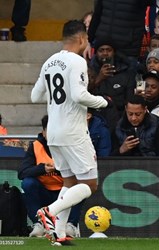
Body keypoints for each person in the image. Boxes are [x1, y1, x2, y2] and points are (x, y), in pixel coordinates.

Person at [31, 20, 110, 246]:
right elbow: (78, 95)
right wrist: (102, 102)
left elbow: (35, 97)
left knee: (70, 181)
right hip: (73, 131)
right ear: (82, 39)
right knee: (90, 185)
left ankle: (58, 234)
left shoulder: (49, 62)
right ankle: (49, 211)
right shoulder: (77, 61)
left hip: (53, 132)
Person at [18, 115, 82, 238]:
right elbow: (22, 172)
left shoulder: (70, 146)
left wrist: (59, 169)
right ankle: (39, 224)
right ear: (44, 132)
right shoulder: (35, 146)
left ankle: (70, 225)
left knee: (82, 186)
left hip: (64, 194)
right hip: (44, 193)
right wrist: (43, 169)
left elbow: (80, 172)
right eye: (50, 131)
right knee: (27, 183)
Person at [85, 0, 155, 67]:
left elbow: (151, 2)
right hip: (103, 46)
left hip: (127, 49)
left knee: (126, 78)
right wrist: (89, 41)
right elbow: (97, 14)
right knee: (97, 77)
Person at [88, 41, 136, 134]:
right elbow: (85, 94)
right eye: (101, 50)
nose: (105, 53)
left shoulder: (125, 72)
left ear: (114, 52)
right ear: (96, 53)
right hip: (96, 118)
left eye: (108, 50)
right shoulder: (89, 71)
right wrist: (99, 78)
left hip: (120, 119)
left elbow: (129, 99)